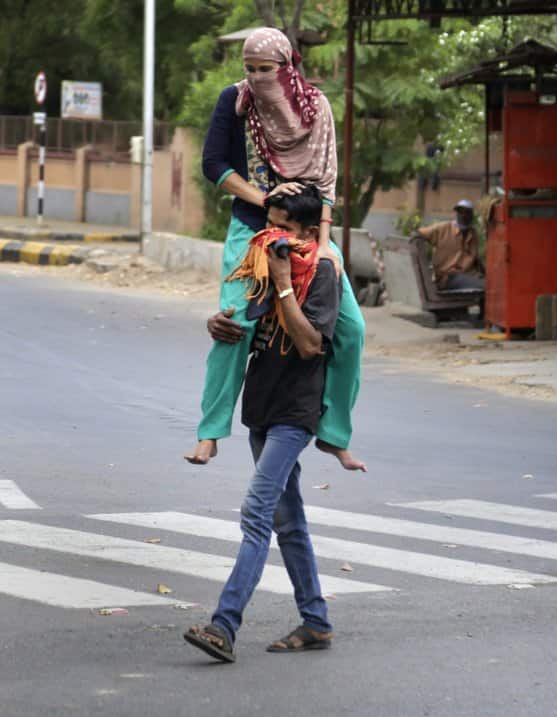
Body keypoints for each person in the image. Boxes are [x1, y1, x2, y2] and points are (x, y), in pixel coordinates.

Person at [184, 27, 365, 472]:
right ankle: (209, 432)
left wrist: (323, 247)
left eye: (266, 70)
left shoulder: (316, 107)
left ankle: (334, 433)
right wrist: (264, 200)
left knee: (351, 330)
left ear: (287, 68)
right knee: (235, 325)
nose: (257, 78)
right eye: (250, 69)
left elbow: (325, 185)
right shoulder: (236, 101)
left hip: (310, 232)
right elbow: (214, 165)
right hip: (252, 227)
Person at [184, 186, 338, 663]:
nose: (274, 237)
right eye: (269, 225)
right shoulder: (262, 262)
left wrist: (285, 281)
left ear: (309, 233)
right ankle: (316, 621)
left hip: (295, 412)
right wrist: (219, 324)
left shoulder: (321, 272)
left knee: (256, 515)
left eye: (285, 229)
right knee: (287, 521)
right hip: (262, 409)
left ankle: (223, 625)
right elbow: (246, 324)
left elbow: (311, 344)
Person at [415, 199, 484, 291]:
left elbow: (474, 257)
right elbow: (419, 233)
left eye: (466, 212)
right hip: (449, 277)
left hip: (468, 274)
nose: (463, 215)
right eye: (460, 212)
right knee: (486, 286)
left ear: (471, 215)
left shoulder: (472, 233)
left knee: (492, 285)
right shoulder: (444, 228)